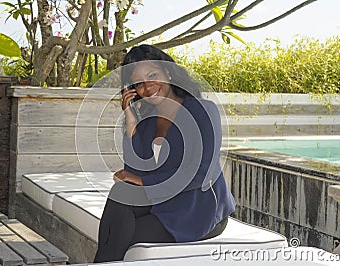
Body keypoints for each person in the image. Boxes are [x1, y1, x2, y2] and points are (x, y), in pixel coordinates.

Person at [93, 44, 235, 263]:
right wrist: (130, 118)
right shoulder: (149, 121)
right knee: (120, 194)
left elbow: (200, 174)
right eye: (139, 84)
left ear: (168, 72)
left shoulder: (203, 111)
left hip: (198, 209)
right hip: (163, 201)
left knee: (120, 236)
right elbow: (133, 170)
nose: (148, 87)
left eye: (153, 75)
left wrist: (142, 180)